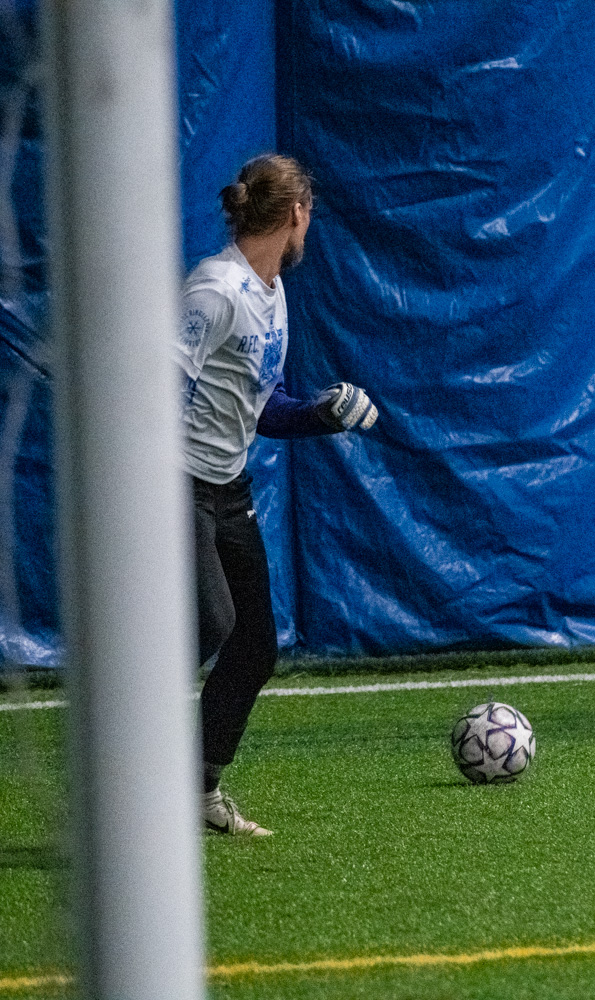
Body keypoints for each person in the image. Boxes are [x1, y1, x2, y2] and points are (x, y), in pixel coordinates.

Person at [175, 154, 378, 835]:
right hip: (177, 484)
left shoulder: (270, 292)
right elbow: (157, 388)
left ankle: (197, 793)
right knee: (210, 623)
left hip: (229, 487)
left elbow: (262, 408)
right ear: (295, 213)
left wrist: (323, 413)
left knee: (255, 643)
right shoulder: (215, 288)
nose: (309, 230)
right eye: (310, 216)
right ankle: (128, 767)